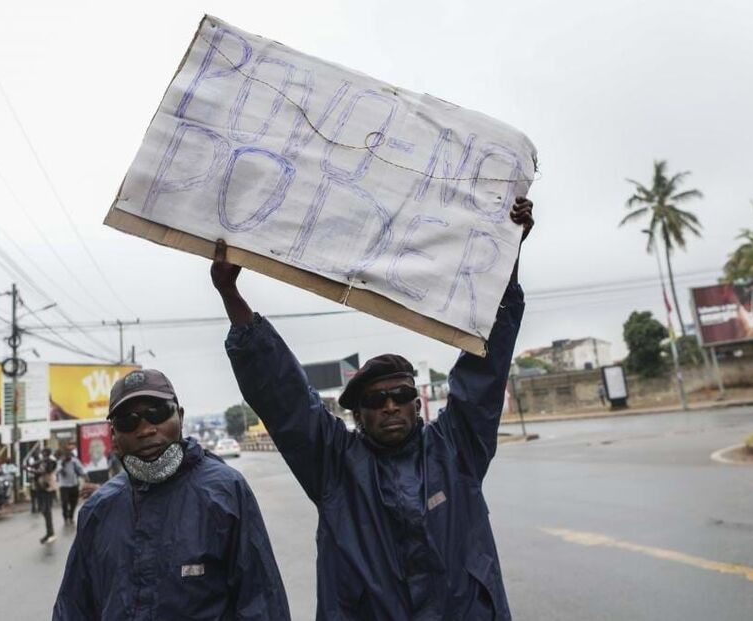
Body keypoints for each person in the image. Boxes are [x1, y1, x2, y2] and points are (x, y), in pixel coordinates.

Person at [214, 197, 534, 619]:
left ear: (417, 404)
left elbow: (486, 369)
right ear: (358, 415)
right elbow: (284, 396)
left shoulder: (456, 449)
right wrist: (229, 292)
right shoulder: (335, 466)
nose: (390, 406)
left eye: (400, 396)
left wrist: (508, 254)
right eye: (375, 400)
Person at [53, 369, 289, 620]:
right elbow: (73, 607)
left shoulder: (226, 491)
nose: (145, 430)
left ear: (180, 416)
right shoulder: (98, 510)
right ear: (114, 435)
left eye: (157, 413)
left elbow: (262, 601)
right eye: (128, 421)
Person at [30, 448, 58, 544]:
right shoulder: (43, 461)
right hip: (41, 488)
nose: (42, 454)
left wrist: (32, 470)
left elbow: (47, 471)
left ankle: (51, 533)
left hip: (49, 488)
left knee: (47, 510)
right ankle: (49, 532)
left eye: (44, 452)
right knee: (43, 510)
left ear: (48, 453)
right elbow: (37, 468)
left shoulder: (51, 461)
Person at [56, 449, 87, 525]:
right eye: (65, 456)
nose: (67, 458)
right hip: (64, 486)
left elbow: (80, 470)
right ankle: (65, 517)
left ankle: (71, 515)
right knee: (65, 502)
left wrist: (84, 476)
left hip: (74, 484)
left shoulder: (74, 461)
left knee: (74, 502)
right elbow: (58, 471)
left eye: (68, 456)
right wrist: (63, 464)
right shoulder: (60, 462)